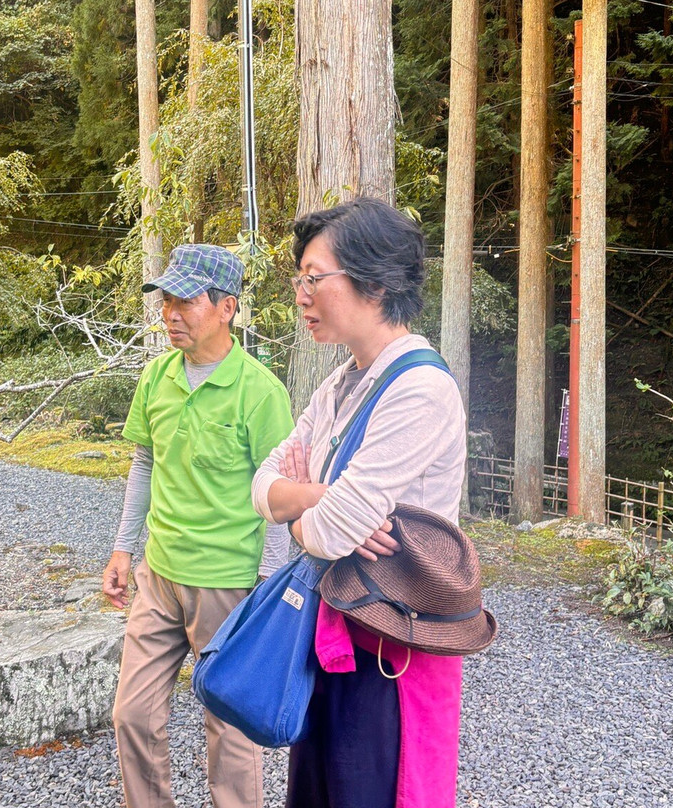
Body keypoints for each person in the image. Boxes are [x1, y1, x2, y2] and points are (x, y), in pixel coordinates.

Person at [251, 198, 468, 808]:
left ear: (374, 281)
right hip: (336, 631)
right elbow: (262, 487)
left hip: (394, 648)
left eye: (314, 277)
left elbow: (328, 533)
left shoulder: (421, 388)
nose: (301, 293)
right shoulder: (343, 381)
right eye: (300, 279)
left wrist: (304, 509)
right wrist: (316, 500)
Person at [103, 243, 295, 808]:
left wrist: (266, 585)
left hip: (229, 585)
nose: (170, 313)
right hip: (158, 576)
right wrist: (123, 550)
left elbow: (279, 493)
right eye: (166, 300)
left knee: (230, 736)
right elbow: (145, 461)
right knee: (132, 715)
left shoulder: (260, 392)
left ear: (226, 307)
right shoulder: (156, 377)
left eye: (185, 300)